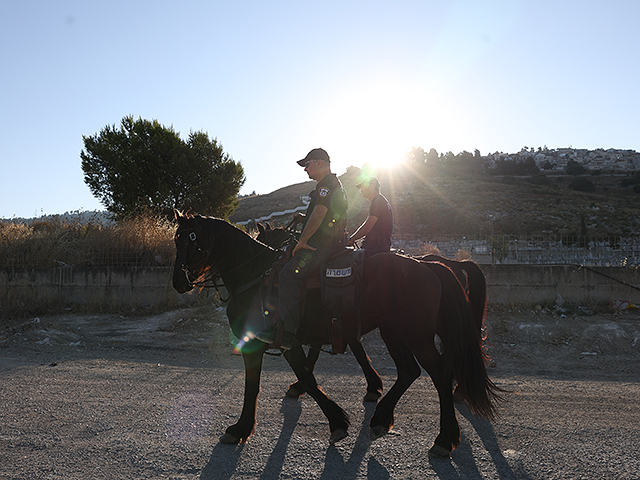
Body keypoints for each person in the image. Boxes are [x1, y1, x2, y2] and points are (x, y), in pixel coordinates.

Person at [255, 148, 348, 350]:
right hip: (329, 240)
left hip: (324, 245)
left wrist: (302, 242)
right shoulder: (329, 186)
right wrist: (303, 219)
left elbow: (320, 215)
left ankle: (287, 333)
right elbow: (326, 216)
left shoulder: (326, 187)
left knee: (289, 274)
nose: (305, 169)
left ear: (321, 163)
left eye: (308, 164)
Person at [347, 177, 393, 257]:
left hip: (375, 247)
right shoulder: (380, 200)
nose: (361, 190)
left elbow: (367, 228)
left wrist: (350, 240)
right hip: (380, 245)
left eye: (363, 187)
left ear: (371, 187)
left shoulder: (378, 202)